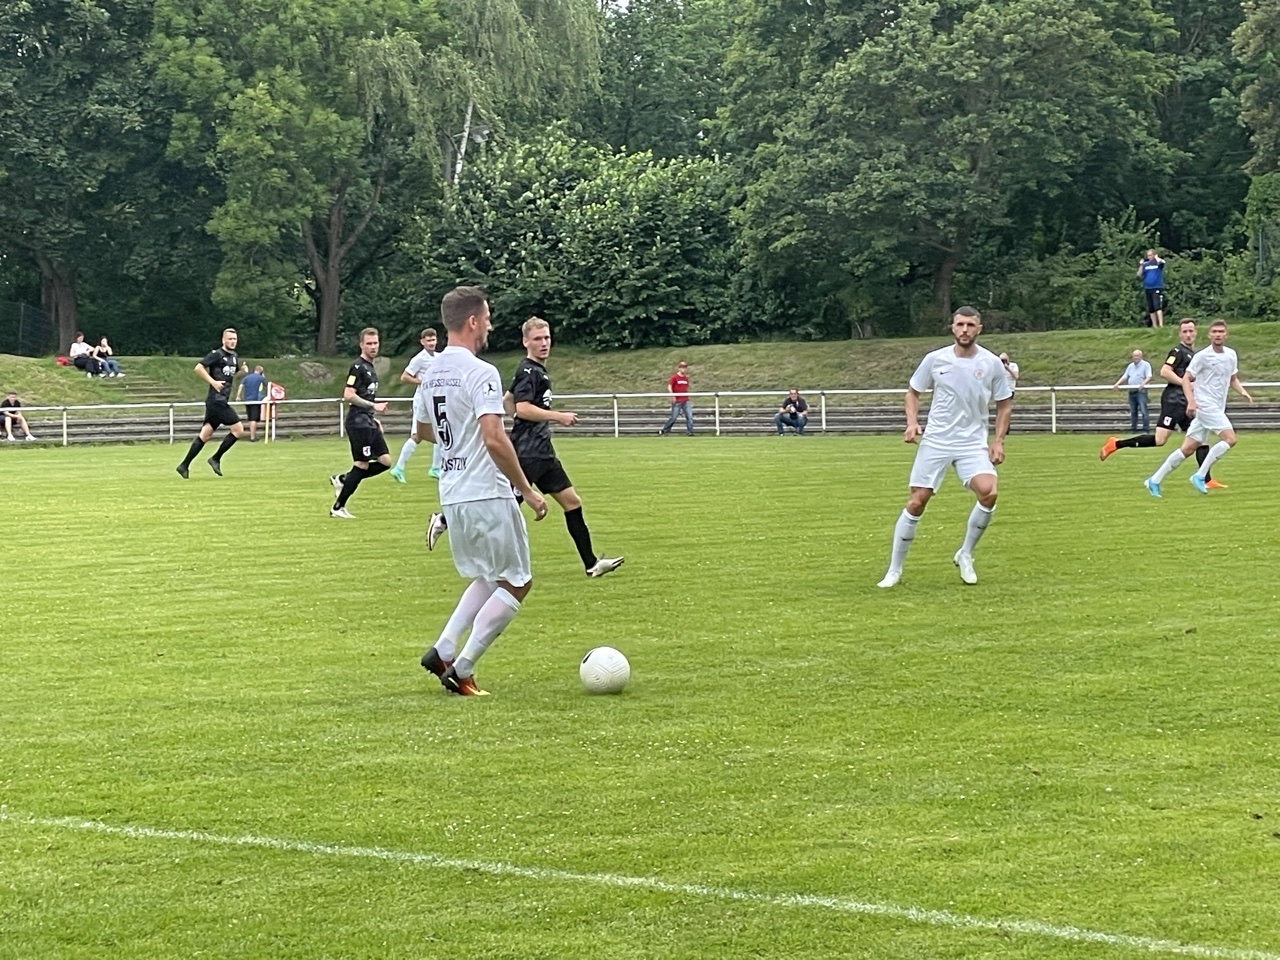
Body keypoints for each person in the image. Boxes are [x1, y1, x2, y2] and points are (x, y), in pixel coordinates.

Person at [417, 286, 548, 697]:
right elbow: (494, 437)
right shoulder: (481, 371)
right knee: (518, 581)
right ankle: (464, 667)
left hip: (452, 492)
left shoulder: (429, 374)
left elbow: (423, 431)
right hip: (486, 491)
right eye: (487, 318)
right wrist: (527, 490)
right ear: (472, 321)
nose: (490, 325)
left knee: (491, 576)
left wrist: (457, 440)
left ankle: (443, 649)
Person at [877, 306, 1012, 588]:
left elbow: (1004, 404)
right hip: (937, 440)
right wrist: (912, 423)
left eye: (970, 325)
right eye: (960, 324)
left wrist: (998, 440)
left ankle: (965, 553)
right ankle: (894, 570)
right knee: (917, 501)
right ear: (953, 327)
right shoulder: (935, 359)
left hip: (972, 442)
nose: (965, 330)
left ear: (979, 329)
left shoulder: (990, 363)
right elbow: (913, 393)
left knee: (989, 492)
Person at [1099, 319, 1220, 487]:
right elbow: (1165, 371)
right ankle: (1116, 444)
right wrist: (1185, 383)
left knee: (1201, 439)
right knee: (1160, 440)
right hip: (1174, 401)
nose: (1188, 334)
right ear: (1180, 334)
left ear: (1196, 332)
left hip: (1187, 401)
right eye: (1185, 331)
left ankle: (1206, 480)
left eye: (1191, 331)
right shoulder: (1177, 351)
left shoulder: (1193, 354)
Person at [1145, 320, 1253, 497]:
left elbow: (1232, 378)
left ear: (1226, 334)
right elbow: (1186, 378)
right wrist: (1191, 401)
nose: (1218, 334)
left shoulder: (1231, 355)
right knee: (1230, 439)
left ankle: (1154, 480)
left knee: (1188, 449)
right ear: (1209, 335)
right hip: (1205, 405)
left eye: (1221, 332)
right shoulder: (1202, 356)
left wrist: (1243, 392)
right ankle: (1200, 476)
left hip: (1217, 406)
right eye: (1214, 332)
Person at [328, 328, 392, 518]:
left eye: (375, 343)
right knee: (362, 464)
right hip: (357, 422)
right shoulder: (358, 367)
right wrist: (373, 406)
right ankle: (338, 508)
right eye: (369, 343)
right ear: (361, 345)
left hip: (367, 420)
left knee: (385, 461)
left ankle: (344, 479)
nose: (373, 347)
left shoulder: (370, 368)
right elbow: (348, 395)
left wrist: (373, 417)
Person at [176, 328, 246, 478]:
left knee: (205, 434)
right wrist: (213, 382)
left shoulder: (234, 357)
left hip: (220, 400)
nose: (233, 341)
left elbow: (230, 374)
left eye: (234, 339)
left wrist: (242, 372)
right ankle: (215, 458)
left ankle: (184, 466)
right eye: (230, 339)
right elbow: (198, 367)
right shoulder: (216, 354)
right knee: (238, 430)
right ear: (223, 340)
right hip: (216, 400)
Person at [389, 327, 442, 483]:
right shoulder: (419, 358)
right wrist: (422, 382)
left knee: (440, 432)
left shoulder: (439, 357)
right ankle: (399, 468)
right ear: (422, 342)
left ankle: (436, 468)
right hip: (422, 401)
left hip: (434, 400)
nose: (431, 343)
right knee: (417, 436)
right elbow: (405, 377)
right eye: (428, 340)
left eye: (433, 340)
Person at [1112, 349, 1152, 433]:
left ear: (1141, 356)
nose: (1135, 357)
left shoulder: (1146, 365)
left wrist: (1143, 383)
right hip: (1132, 391)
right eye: (1134, 356)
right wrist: (1117, 384)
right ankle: (1133, 429)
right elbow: (1125, 376)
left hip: (1141, 391)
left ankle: (1146, 429)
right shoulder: (1130, 366)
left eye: (1137, 356)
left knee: (1143, 410)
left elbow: (1149, 376)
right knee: (1133, 411)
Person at [658, 360, 693, 435]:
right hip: (677, 400)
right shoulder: (674, 377)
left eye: (685, 367)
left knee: (689, 416)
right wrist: (673, 396)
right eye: (682, 367)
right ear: (679, 368)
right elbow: (669, 387)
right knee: (673, 417)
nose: (684, 369)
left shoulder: (686, 378)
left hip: (685, 400)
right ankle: (665, 429)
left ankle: (690, 431)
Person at [235, 365, 267, 441]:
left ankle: (252, 434)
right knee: (254, 419)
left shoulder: (247, 377)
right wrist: (263, 376)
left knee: (250, 418)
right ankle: (252, 437)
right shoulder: (260, 378)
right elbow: (267, 385)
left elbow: (241, 386)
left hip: (247, 400)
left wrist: (238, 396)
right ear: (261, 371)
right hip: (256, 400)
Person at [1138, 248, 1166, 328]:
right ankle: (1154, 325)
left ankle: (1161, 325)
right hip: (1148, 288)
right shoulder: (1146, 264)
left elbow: (1163, 262)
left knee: (1157, 306)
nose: (1149, 257)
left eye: (1150, 255)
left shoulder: (1158, 264)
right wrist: (1141, 265)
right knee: (1151, 308)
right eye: (1148, 256)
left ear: (1154, 255)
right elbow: (1139, 274)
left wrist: (1156, 258)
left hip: (1156, 287)